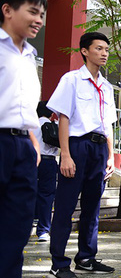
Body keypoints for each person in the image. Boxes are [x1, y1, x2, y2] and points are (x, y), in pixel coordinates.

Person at [47, 31, 117, 278]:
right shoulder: (72, 80)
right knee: (66, 206)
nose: (104, 53)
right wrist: (65, 155)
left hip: (99, 150)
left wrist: (111, 156)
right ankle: (58, 263)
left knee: (92, 207)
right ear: (85, 51)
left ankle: (86, 258)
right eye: (99, 48)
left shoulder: (107, 87)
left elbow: (108, 124)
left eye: (106, 49)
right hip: (77, 146)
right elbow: (63, 118)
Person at [0, 0, 48, 278]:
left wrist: (32, 141)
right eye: (32, 12)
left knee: (17, 226)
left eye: (42, 14)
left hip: (21, 147)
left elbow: (27, 106)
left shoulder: (30, 56)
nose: (39, 20)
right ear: (7, 10)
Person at [32, 101, 59, 242]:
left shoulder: (31, 125)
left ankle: (32, 219)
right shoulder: (54, 126)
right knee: (47, 195)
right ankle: (43, 230)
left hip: (31, 160)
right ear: (51, 113)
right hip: (48, 161)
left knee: (30, 191)